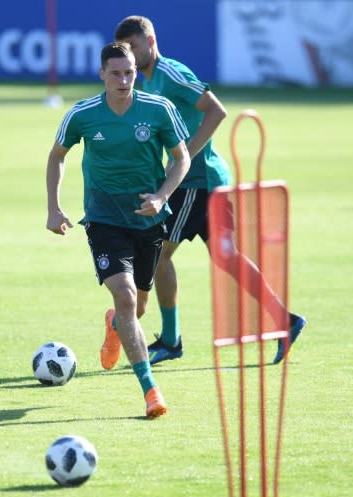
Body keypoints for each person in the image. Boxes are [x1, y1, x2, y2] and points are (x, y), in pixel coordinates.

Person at [114, 15, 306, 365]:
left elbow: (216, 111)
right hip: (198, 182)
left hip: (196, 183)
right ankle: (285, 321)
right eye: (126, 49)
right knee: (225, 257)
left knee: (158, 254)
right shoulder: (147, 84)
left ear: (152, 41)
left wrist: (183, 157)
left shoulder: (169, 75)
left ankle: (171, 341)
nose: (131, 53)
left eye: (135, 46)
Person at [46, 41, 191, 418]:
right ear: (101, 75)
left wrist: (161, 197)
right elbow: (58, 155)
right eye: (116, 73)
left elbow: (181, 158)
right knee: (126, 297)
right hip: (104, 218)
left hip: (147, 219)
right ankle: (150, 391)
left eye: (129, 72)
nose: (124, 80)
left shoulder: (159, 110)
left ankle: (115, 325)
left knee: (136, 307)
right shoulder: (83, 114)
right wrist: (54, 207)